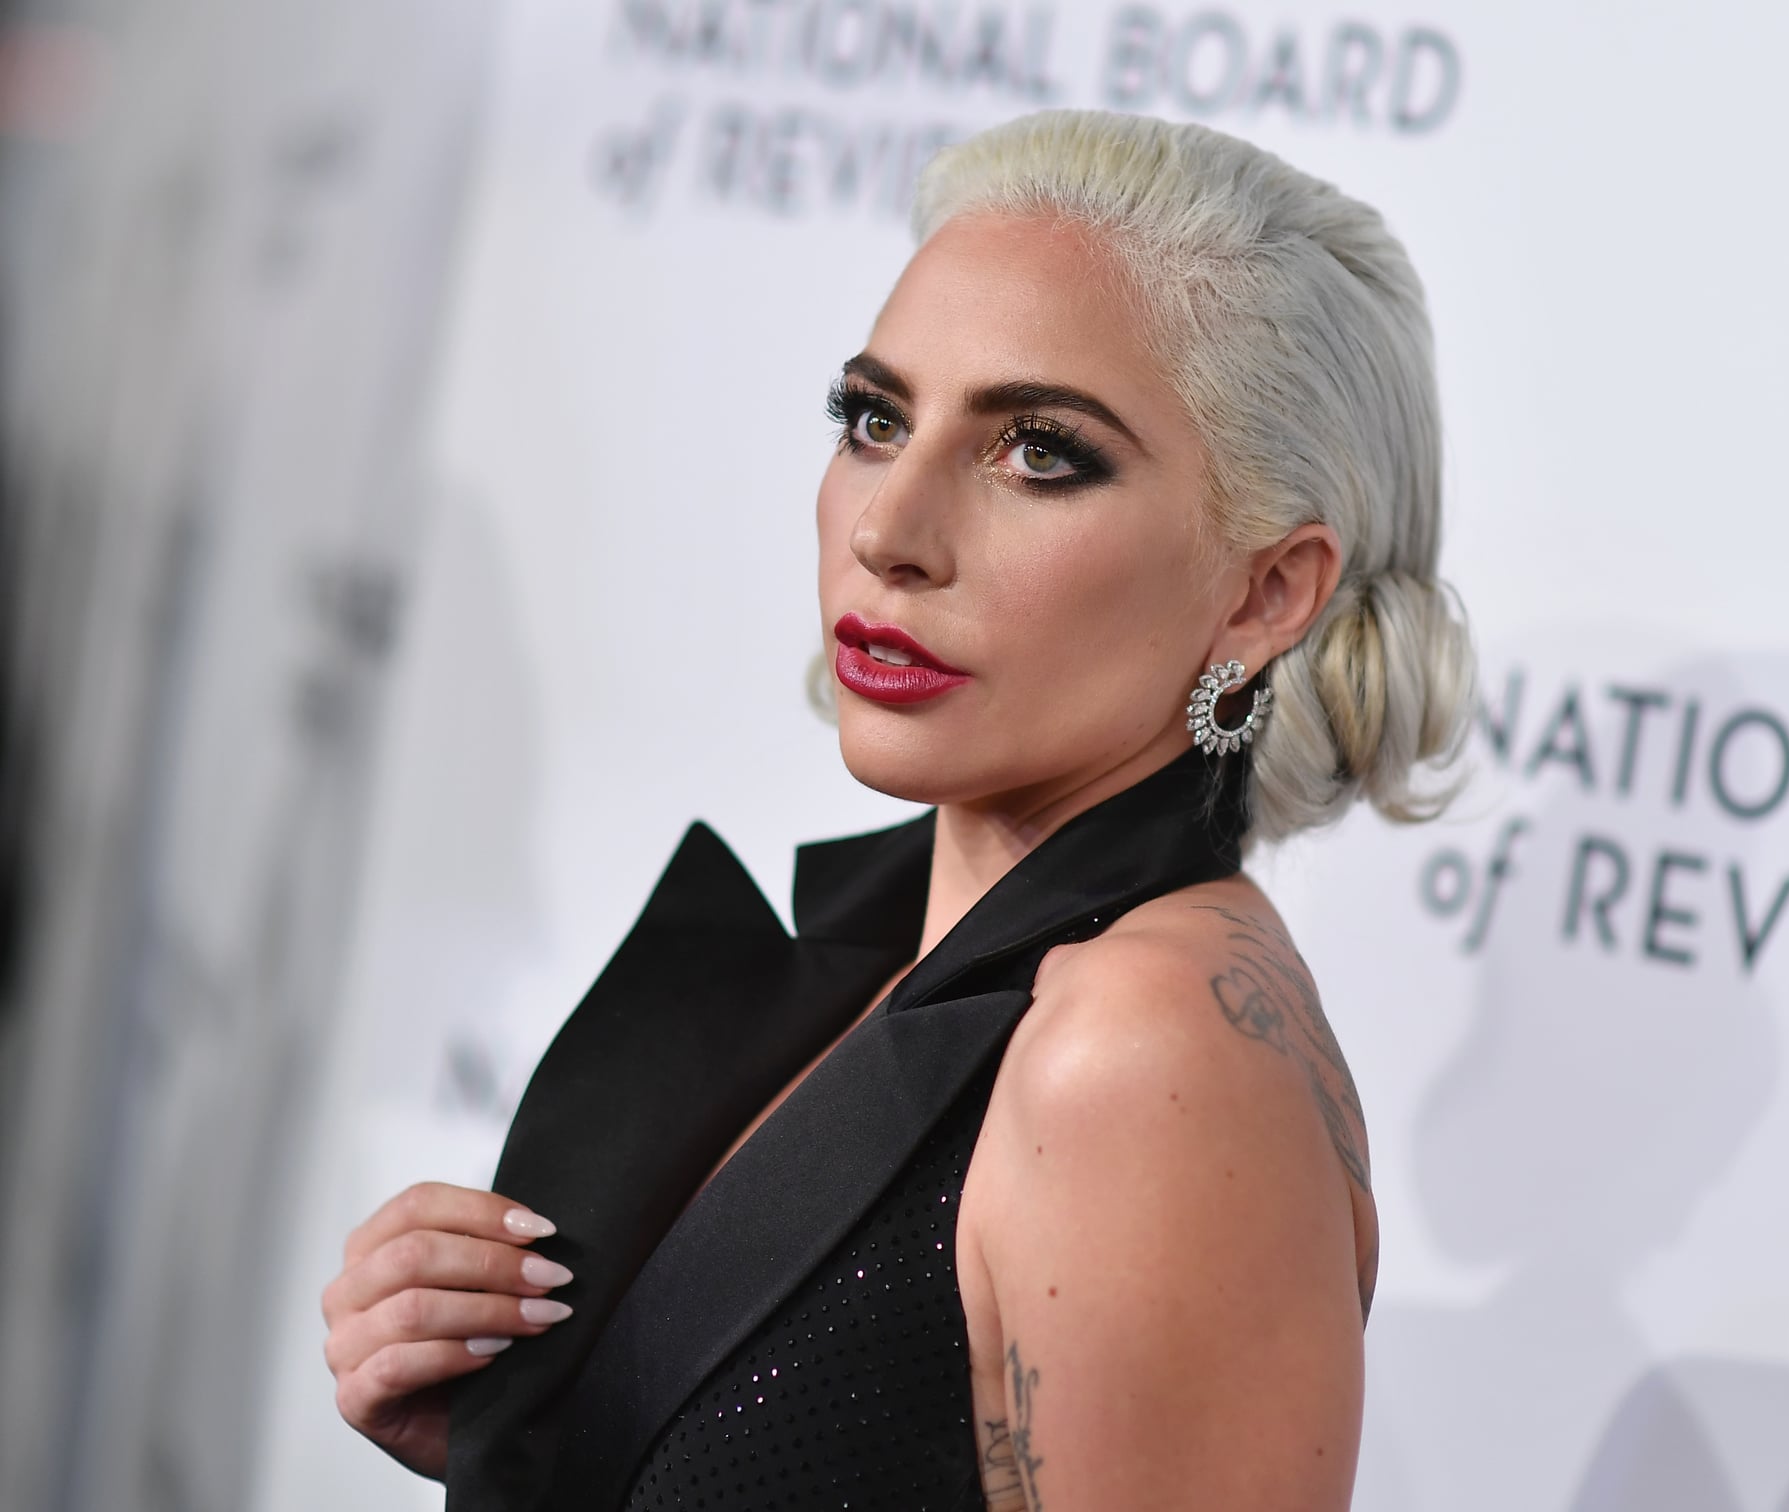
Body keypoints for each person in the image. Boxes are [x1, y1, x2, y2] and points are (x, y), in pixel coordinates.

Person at [319, 107, 1475, 1511]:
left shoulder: (1140, 1054)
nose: (888, 528)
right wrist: (553, 1438)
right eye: (874, 419)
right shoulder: (907, 972)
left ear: (1264, 591)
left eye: (1039, 452)